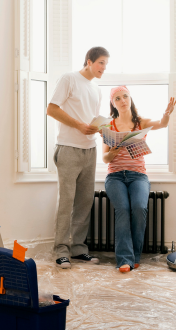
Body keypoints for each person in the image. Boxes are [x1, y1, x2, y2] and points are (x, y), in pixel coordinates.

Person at [102, 86, 176, 273]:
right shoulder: (108, 126)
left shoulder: (140, 122)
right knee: (123, 210)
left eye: (125, 96)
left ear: (130, 98)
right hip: (115, 176)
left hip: (138, 176)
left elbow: (162, 123)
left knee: (139, 208)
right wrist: (113, 152)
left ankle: (135, 256)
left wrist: (166, 114)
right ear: (113, 103)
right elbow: (104, 159)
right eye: (117, 98)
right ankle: (124, 260)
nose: (122, 100)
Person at [46, 46, 109, 269]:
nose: (103, 67)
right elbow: (51, 109)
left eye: (106, 64)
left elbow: (90, 119)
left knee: (84, 202)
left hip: (89, 150)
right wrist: (79, 126)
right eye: (101, 62)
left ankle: (78, 249)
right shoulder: (69, 79)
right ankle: (61, 251)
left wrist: (98, 129)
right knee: (66, 201)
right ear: (89, 61)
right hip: (68, 149)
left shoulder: (96, 90)